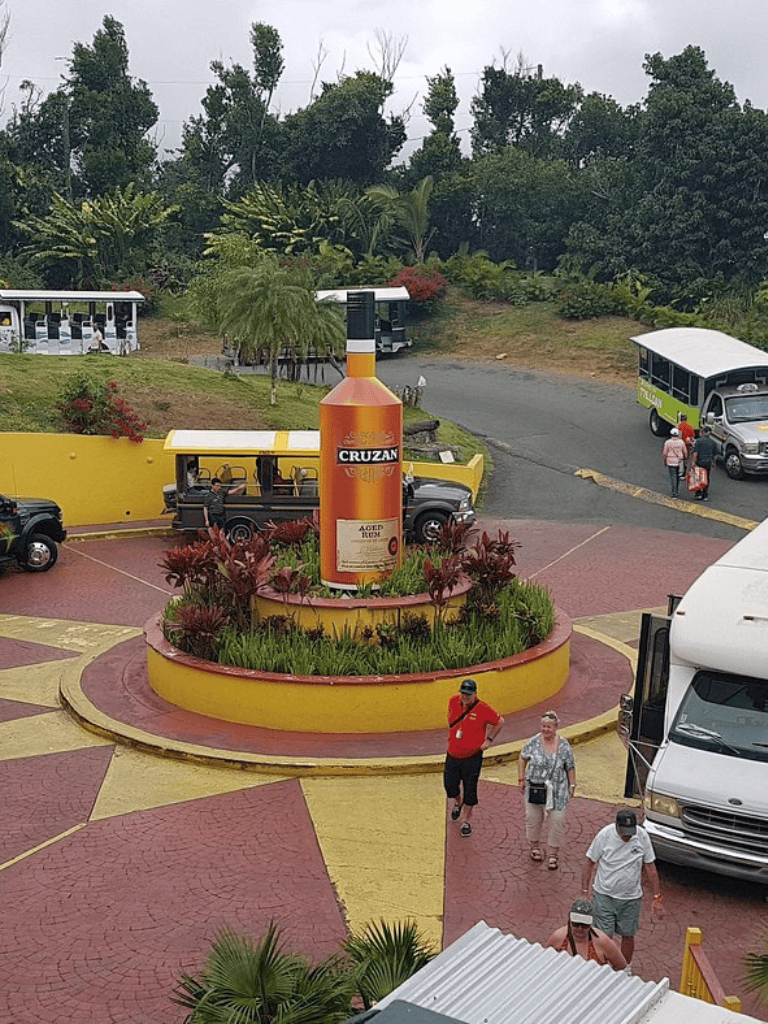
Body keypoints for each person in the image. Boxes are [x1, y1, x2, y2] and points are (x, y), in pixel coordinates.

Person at [582, 809, 665, 964]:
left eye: (630, 832)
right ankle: (601, 966)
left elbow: (650, 867)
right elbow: (589, 863)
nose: (627, 837)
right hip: (604, 895)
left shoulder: (642, 836)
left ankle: (625, 967)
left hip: (631, 898)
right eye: (623, 833)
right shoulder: (604, 835)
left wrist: (657, 897)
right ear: (616, 826)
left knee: (628, 934)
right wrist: (585, 892)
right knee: (603, 936)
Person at [444, 678, 504, 838]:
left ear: (475, 694)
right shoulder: (453, 701)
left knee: (470, 788)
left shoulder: (483, 708)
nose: (465, 697)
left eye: (468, 695)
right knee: (450, 786)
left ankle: (465, 821)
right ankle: (458, 802)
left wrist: (489, 739)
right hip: (453, 754)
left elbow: (499, 721)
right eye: (463, 693)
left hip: (472, 756)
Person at [519, 710, 575, 871]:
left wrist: (572, 785)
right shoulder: (533, 742)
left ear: (556, 727)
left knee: (557, 821)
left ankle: (553, 855)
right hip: (535, 788)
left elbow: (570, 766)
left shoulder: (564, 745)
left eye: (549, 726)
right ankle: (534, 847)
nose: (545, 729)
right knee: (533, 818)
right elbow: (522, 757)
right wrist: (521, 778)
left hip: (558, 790)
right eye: (543, 726)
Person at [545, 898, 627, 970]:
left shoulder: (602, 941)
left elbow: (621, 965)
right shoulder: (558, 937)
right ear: (569, 920)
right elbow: (545, 961)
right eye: (576, 924)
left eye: (584, 925)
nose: (580, 929)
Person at [691, 425, 719, 502]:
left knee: (698, 477)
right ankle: (705, 494)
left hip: (700, 461)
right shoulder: (713, 442)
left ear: (703, 432)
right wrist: (713, 463)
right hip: (708, 462)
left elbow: (695, 453)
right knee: (706, 478)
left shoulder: (699, 441)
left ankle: (698, 493)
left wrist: (693, 462)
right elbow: (715, 455)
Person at [661, 428, 687, 499]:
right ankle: (676, 489)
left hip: (671, 461)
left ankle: (675, 493)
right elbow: (685, 452)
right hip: (679, 461)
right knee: (678, 476)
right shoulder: (681, 442)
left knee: (673, 477)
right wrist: (685, 459)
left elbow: (665, 453)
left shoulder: (667, 442)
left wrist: (665, 461)